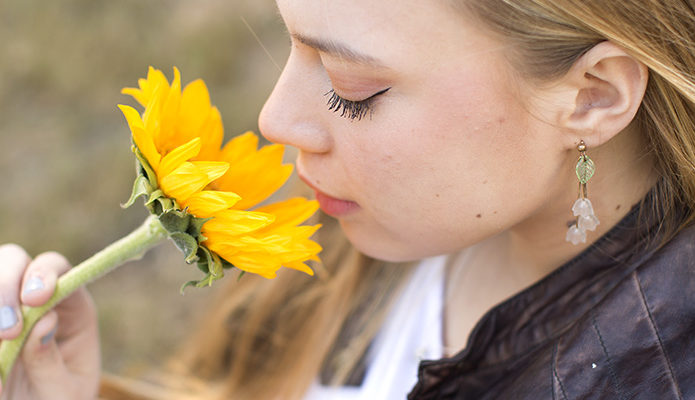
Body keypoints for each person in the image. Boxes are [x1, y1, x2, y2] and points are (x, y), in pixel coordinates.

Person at [2, 0, 694, 398]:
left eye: (349, 85)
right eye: (290, 43)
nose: (275, 120)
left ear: (592, 96)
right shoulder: (362, 226)